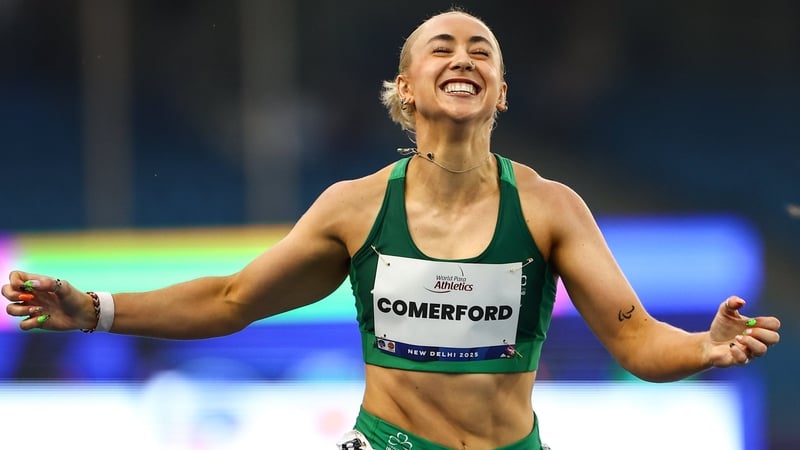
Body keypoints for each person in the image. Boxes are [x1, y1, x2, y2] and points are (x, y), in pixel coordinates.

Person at [2, 9, 781, 450]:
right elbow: (234, 298)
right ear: (405, 88)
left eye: (483, 50)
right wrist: (96, 310)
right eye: (441, 46)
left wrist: (702, 349)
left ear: (500, 92)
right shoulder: (354, 207)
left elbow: (637, 338)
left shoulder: (551, 209)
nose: (464, 55)